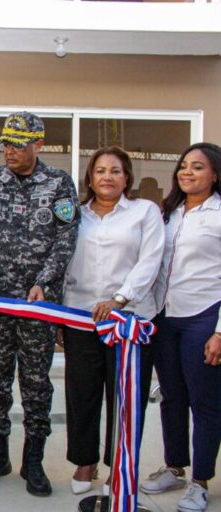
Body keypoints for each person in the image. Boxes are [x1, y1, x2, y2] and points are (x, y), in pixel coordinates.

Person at [0, 111, 79, 496]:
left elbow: (66, 239)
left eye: (19, 144)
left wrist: (44, 282)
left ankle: (34, 460)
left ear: (38, 145)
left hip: (37, 306)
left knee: (35, 383)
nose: (10, 151)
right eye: (6, 144)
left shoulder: (59, 184)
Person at [59, 146, 163, 495]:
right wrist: (60, 314)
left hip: (128, 319)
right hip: (82, 318)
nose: (107, 177)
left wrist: (120, 298)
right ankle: (84, 463)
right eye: (100, 170)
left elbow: (150, 261)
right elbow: (62, 262)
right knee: (82, 394)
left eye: (115, 171)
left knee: (124, 398)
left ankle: (118, 465)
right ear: (90, 177)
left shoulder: (144, 212)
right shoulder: (75, 215)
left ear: (127, 177)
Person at [141, 142, 221, 512]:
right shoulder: (167, 213)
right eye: (184, 166)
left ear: (215, 174)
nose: (187, 172)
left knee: (204, 402)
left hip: (204, 315)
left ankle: (200, 481)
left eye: (198, 167)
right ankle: (174, 466)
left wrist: (220, 331)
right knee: (171, 397)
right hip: (165, 317)